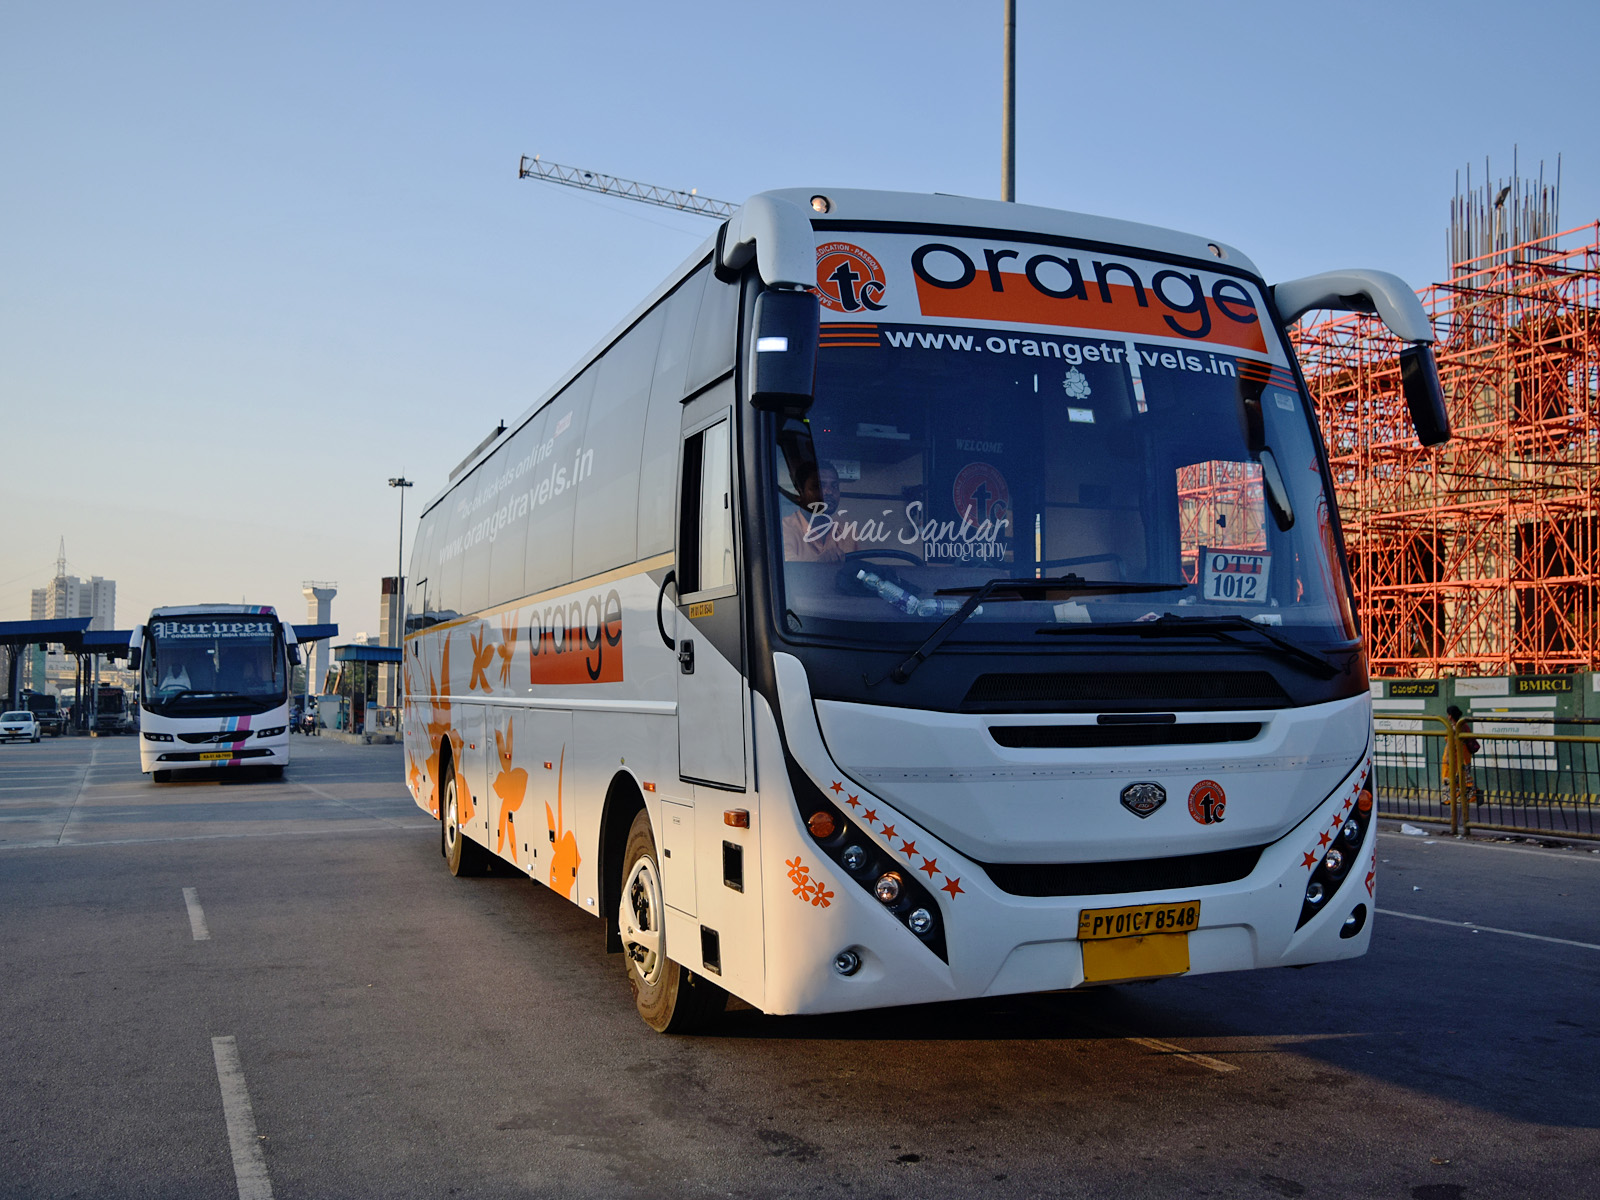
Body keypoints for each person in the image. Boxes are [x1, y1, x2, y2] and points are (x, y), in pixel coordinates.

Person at [782, 460, 859, 562]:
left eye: (834, 486)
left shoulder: (847, 531)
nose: (829, 492)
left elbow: (858, 572)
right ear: (799, 494)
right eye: (819, 486)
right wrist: (820, 562)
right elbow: (790, 574)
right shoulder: (783, 529)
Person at [1443, 704, 1480, 804]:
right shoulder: (1463, 725)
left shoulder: (1454, 728)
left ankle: (1450, 799)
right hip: (1465, 755)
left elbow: (1451, 744)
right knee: (1464, 776)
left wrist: (1447, 757)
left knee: (1450, 777)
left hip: (1455, 756)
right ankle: (1469, 794)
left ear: (1450, 716)